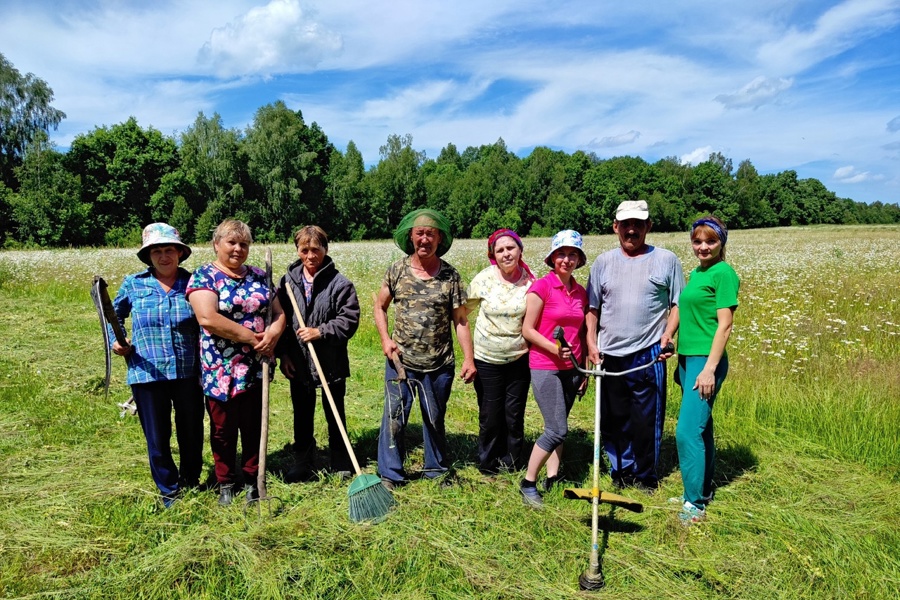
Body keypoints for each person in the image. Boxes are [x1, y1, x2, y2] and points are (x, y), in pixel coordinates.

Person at [585, 200, 684, 492]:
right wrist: (591, 342)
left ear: (648, 227)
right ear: (615, 227)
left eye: (638, 224)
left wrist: (667, 334)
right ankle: (621, 470)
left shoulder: (667, 260)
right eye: (625, 224)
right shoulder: (603, 262)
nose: (631, 230)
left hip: (648, 355)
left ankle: (645, 475)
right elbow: (592, 308)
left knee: (645, 419)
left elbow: (678, 303)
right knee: (614, 419)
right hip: (609, 355)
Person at [374, 209, 477, 489]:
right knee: (395, 417)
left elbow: (461, 319)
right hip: (401, 361)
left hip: (439, 363)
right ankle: (390, 474)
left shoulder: (450, 275)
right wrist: (385, 339)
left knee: (434, 418)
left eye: (431, 233)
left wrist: (469, 358)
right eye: (420, 233)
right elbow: (379, 306)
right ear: (411, 236)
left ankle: (436, 469)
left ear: (439, 238)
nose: (425, 239)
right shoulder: (397, 269)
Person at [187, 219, 285, 506]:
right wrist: (256, 340)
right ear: (217, 244)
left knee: (254, 424)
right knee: (222, 428)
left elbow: (279, 313)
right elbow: (208, 318)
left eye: (244, 244)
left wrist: (274, 334)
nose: (238, 249)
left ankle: (254, 477)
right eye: (231, 242)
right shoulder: (204, 276)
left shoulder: (258, 276)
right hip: (220, 367)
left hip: (256, 367)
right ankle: (226, 481)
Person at [111, 223, 204, 508]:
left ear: (179, 253)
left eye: (169, 250)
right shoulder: (134, 283)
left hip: (188, 370)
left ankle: (191, 479)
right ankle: (168, 490)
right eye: (157, 251)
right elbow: (111, 315)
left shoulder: (194, 282)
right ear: (148, 256)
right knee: (157, 435)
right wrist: (116, 340)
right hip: (146, 371)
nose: (164, 256)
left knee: (191, 429)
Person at [276, 226, 360, 482]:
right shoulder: (287, 282)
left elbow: (349, 320)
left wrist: (320, 331)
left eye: (316, 249)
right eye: (305, 250)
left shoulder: (340, 284)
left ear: (326, 249)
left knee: (334, 410)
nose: (311, 255)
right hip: (299, 361)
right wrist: (284, 355)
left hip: (330, 360)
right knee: (301, 412)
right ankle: (303, 458)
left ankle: (341, 457)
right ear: (297, 250)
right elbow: (280, 321)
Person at [673, 215, 739, 525]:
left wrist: (710, 368)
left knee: (686, 432)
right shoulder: (698, 273)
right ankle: (702, 489)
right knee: (703, 428)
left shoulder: (723, 273)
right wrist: (669, 338)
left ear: (721, 242)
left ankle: (694, 504)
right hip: (688, 359)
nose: (703, 247)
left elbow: (725, 325)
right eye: (698, 241)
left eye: (710, 241)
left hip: (705, 360)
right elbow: (688, 313)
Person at [519, 230, 588, 508]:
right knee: (557, 429)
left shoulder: (581, 292)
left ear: (579, 259)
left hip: (573, 368)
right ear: (552, 257)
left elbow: (583, 333)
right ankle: (528, 482)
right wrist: (553, 347)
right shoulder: (542, 287)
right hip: (545, 365)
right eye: (562, 254)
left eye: (573, 255)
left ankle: (553, 476)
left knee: (558, 426)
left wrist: (583, 370)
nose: (567, 260)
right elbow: (527, 330)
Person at [465, 229, 535, 475]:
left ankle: (513, 462)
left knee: (514, 415)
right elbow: (462, 314)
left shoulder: (531, 282)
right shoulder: (483, 280)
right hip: (487, 360)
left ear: (520, 250)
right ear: (493, 254)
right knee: (490, 415)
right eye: (500, 250)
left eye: (511, 248)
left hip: (519, 359)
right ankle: (488, 465)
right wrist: (467, 357)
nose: (506, 254)